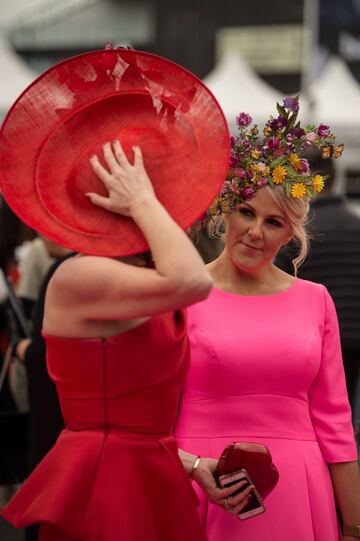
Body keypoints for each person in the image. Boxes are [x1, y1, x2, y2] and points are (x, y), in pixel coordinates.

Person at [0, 49, 253, 540]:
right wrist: (144, 201)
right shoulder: (80, 275)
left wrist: (189, 462)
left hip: (147, 471)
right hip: (106, 488)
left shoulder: (130, 277)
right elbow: (192, 282)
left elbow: (132, 423)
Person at [174, 99, 360, 541]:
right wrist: (193, 466)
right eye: (246, 212)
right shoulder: (180, 293)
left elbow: (335, 423)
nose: (256, 231)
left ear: (290, 232)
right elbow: (149, 417)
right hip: (200, 482)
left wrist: (353, 526)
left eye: (273, 221)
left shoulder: (316, 300)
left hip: (299, 488)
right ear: (225, 210)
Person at [276, 153, 360, 415]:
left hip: (311, 338)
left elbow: (276, 282)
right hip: (355, 337)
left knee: (311, 410)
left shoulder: (299, 231)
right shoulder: (355, 224)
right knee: (346, 411)